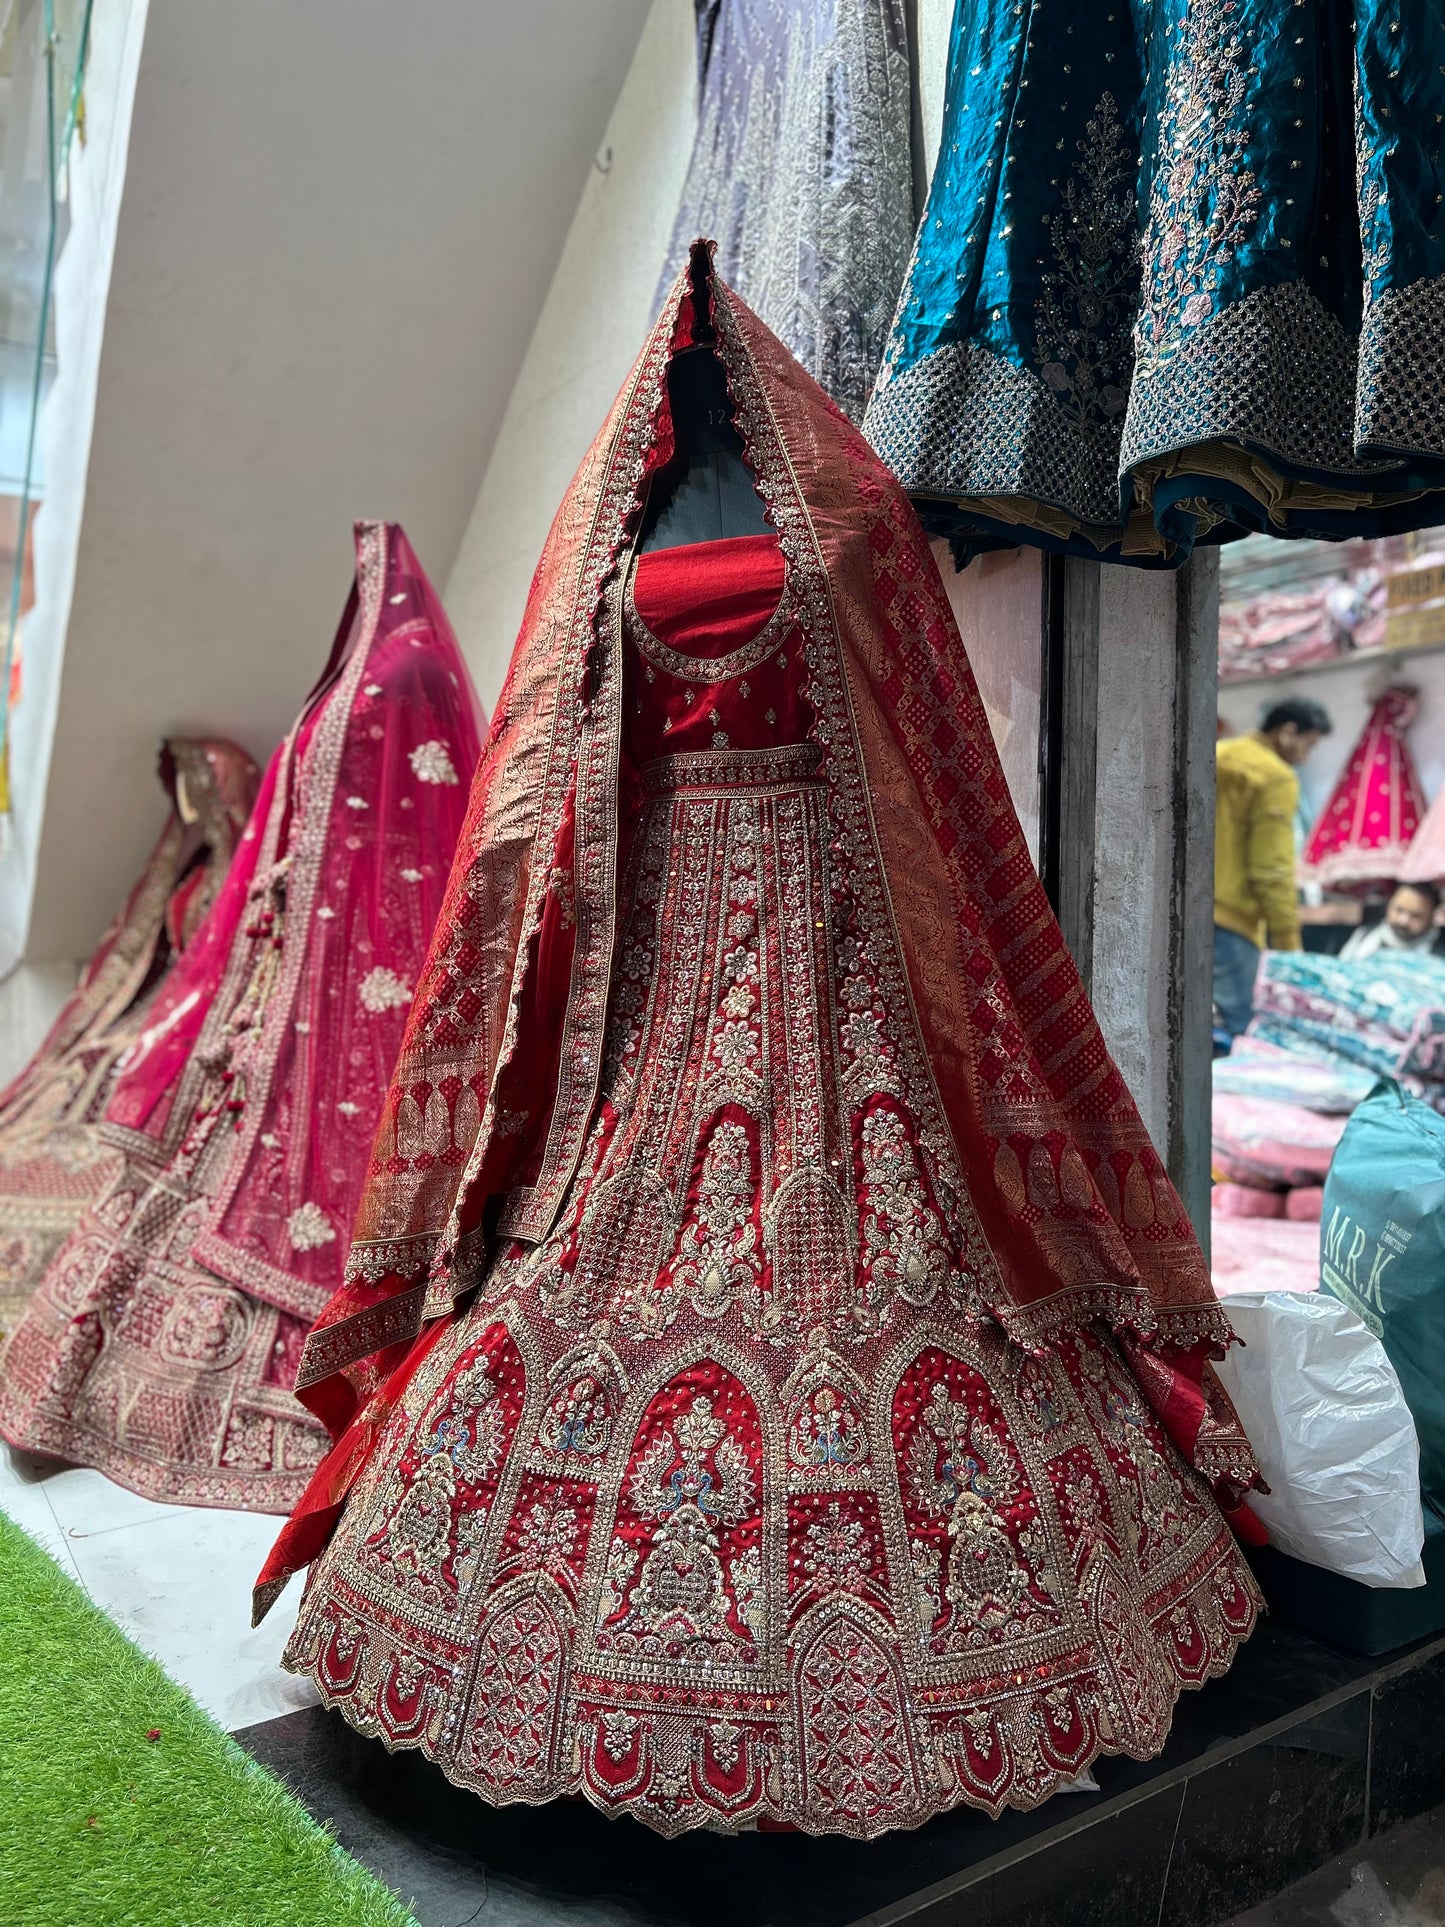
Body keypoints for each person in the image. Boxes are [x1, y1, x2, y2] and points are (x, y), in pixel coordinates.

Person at [253, 245, 1261, 1840]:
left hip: (848, 925)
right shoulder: (606, 529)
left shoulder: (850, 514)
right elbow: (547, 766)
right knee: (599, 1250)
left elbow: (933, 748)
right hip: (657, 949)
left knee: (892, 1253)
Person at [1214, 699, 1332, 1041]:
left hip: (1185, 913)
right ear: (1287, 732)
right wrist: (1287, 944)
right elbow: (1271, 870)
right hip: (1232, 921)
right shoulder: (1274, 775)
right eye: (1308, 745)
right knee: (1246, 1033)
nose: (1305, 757)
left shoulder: (1218, 753)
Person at [1341, 882, 1444, 961]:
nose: (1403, 921)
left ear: (1431, 917)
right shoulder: (1365, 934)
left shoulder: (1439, 954)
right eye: (1399, 910)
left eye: (1416, 916)